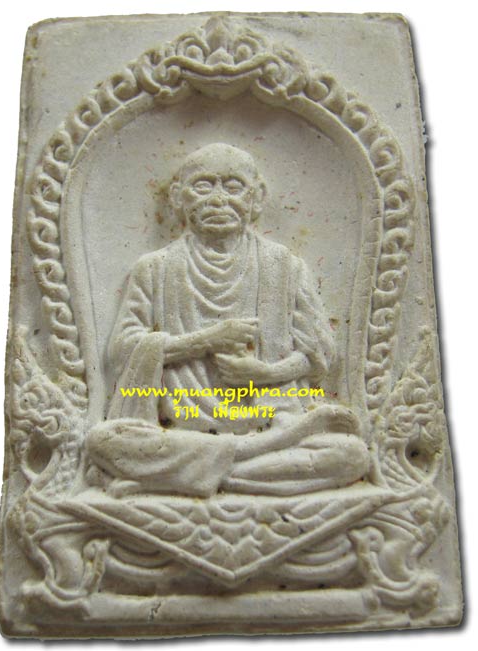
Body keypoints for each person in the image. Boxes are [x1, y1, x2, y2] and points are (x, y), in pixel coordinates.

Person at [86, 143, 370, 497]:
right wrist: (205, 340)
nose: (218, 199)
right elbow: (123, 351)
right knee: (103, 441)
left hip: (273, 422)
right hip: (182, 429)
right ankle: (234, 465)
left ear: (257, 197)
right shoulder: (155, 268)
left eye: (233, 186)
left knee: (352, 455)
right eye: (203, 186)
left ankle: (185, 476)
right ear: (177, 197)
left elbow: (320, 355)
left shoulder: (284, 266)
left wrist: (267, 374)